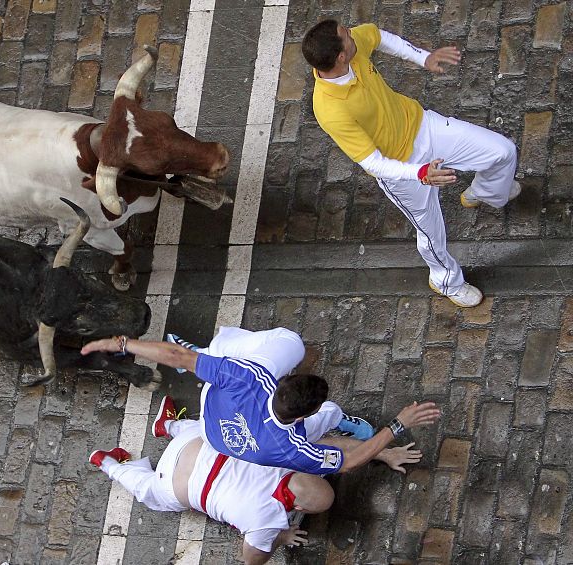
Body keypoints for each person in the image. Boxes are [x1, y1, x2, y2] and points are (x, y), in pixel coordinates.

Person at [302, 20, 521, 307]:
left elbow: (380, 36)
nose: (351, 33)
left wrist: (423, 57)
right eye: (346, 35)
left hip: (423, 125)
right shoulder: (331, 109)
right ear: (341, 57)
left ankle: (484, 192)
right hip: (402, 170)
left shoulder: (352, 47)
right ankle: (446, 281)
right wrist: (420, 173)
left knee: (503, 151)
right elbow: (374, 163)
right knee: (431, 232)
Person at [89, 399, 426, 565]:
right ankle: (108, 463)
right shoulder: (264, 519)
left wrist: (384, 454)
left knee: (206, 433)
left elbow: (335, 449)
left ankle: (165, 428)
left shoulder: (282, 452)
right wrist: (278, 536)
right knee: (147, 490)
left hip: (194, 445)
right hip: (174, 483)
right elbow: (250, 557)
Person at [81, 327, 440, 476]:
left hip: (215, 418)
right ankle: (211, 354)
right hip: (214, 436)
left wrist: (123, 344)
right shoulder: (292, 448)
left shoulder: (248, 378)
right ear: (307, 413)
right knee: (323, 397)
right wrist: (395, 427)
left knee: (278, 346)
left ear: (283, 384)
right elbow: (346, 461)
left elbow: (175, 357)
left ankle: (209, 354)